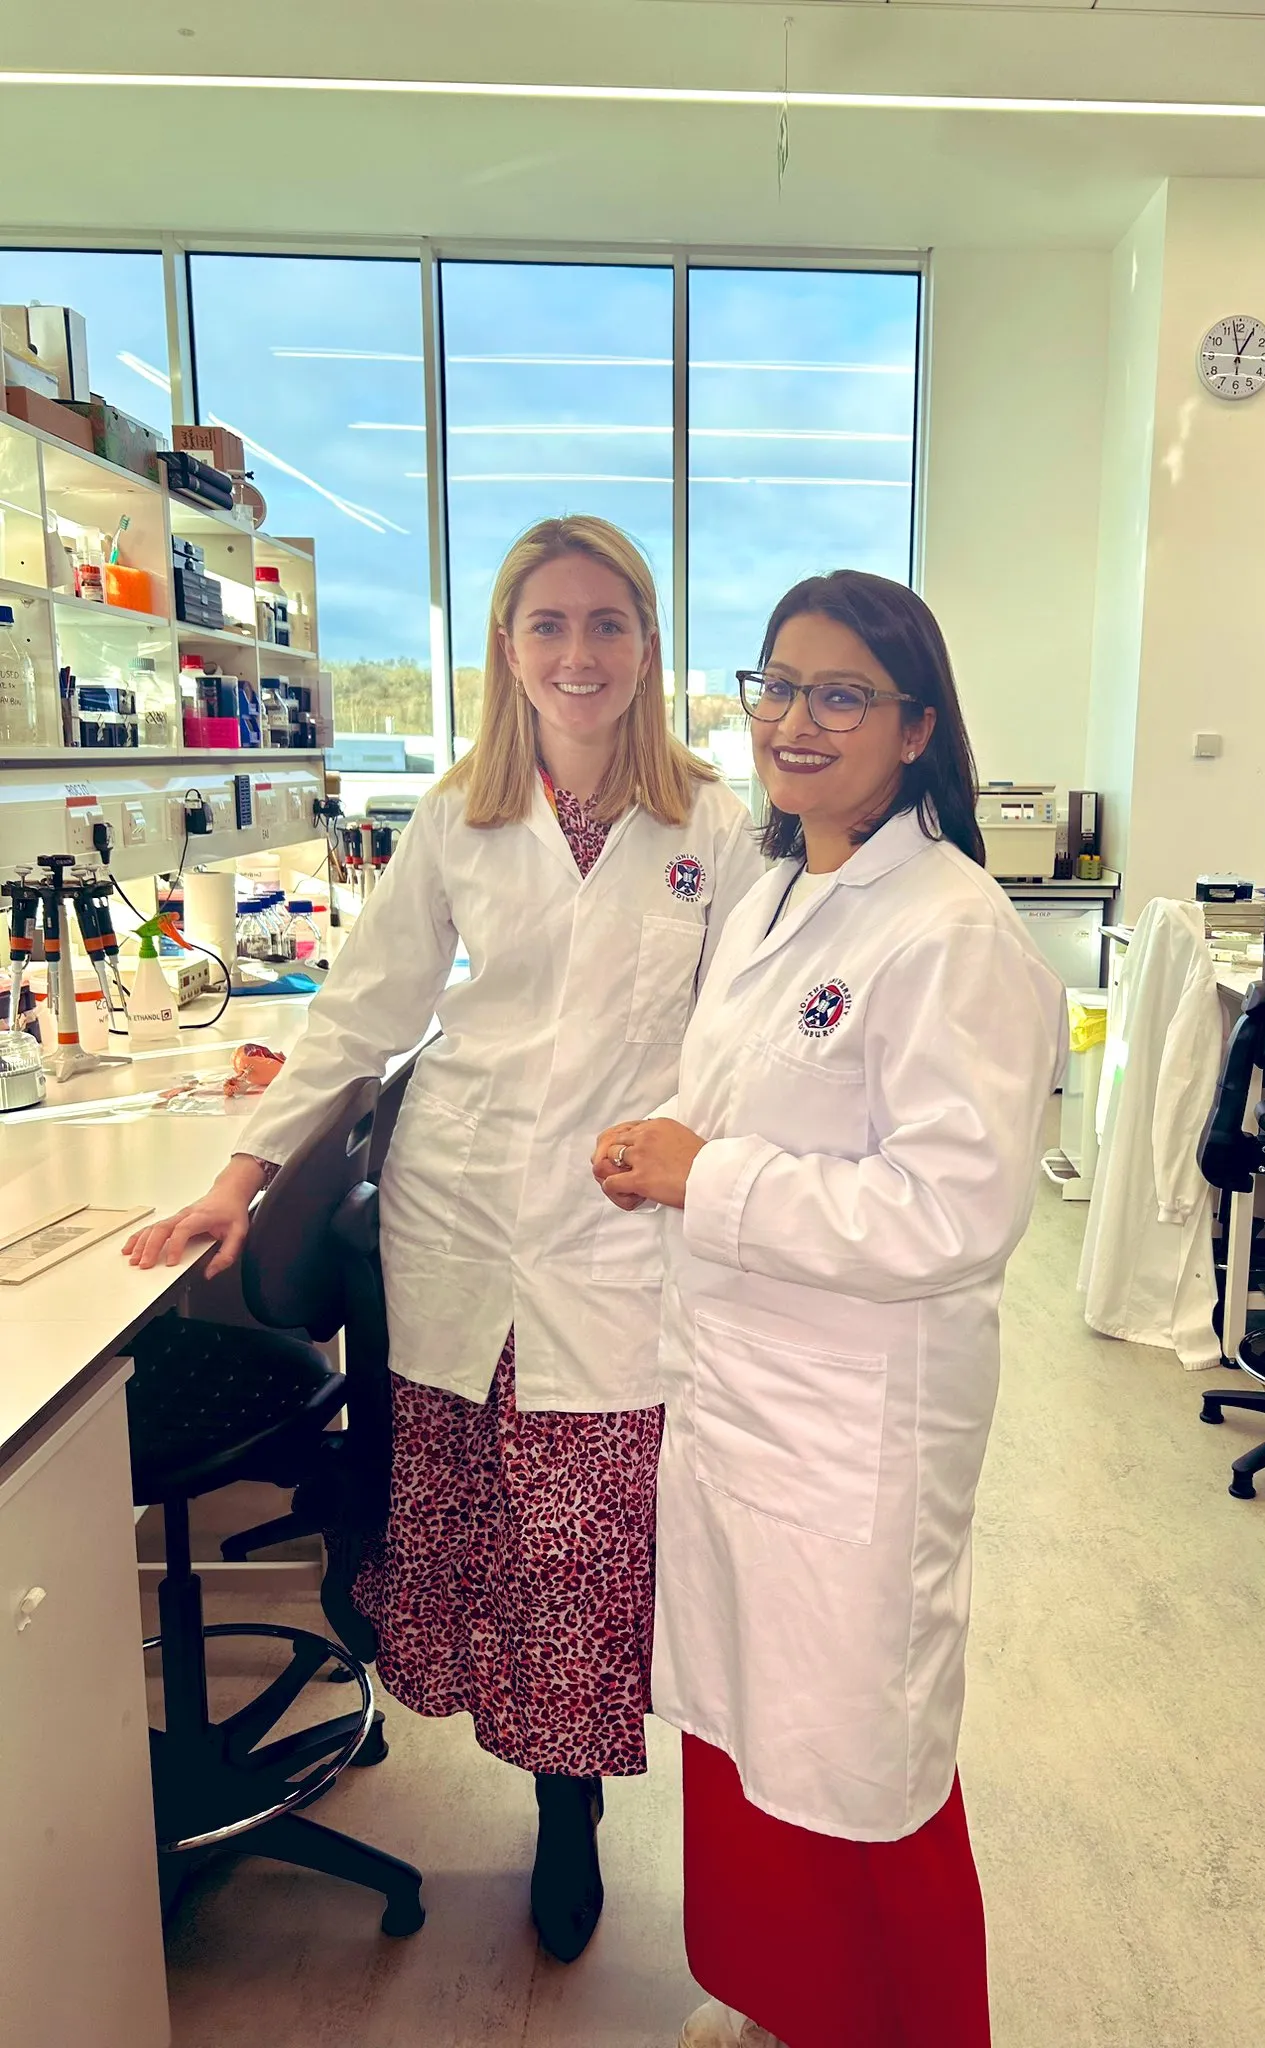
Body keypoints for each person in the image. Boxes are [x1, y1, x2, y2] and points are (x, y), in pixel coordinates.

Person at [125, 515, 762, 1963]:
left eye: (608, 623)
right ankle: (507, 1747)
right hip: (461, 1208)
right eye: (549, 624)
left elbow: (738, 1032)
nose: (580, 652)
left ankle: (570, 1806)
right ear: (507, 647)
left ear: (648, 645)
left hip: (617, 1225)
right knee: (482, 1520)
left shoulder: (711, 824)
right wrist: (238, 1176)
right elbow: (366, 1008)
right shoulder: (458, 811)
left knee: (586, 1532)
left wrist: (714, 1163)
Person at [593, 570, 1066, 2048]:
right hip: (740, 1395)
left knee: (857, 1755)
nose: (795, 721)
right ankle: (772, 1993)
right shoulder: (779, 884)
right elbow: (730, 1091)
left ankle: (891, 2021)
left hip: (855, 1424)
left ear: (916, 726)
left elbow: (952, 1213)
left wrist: (705, 1177)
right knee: (745, 1727)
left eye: (841, 693)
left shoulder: (952, 932)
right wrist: (658, 1140)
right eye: (776, 686)